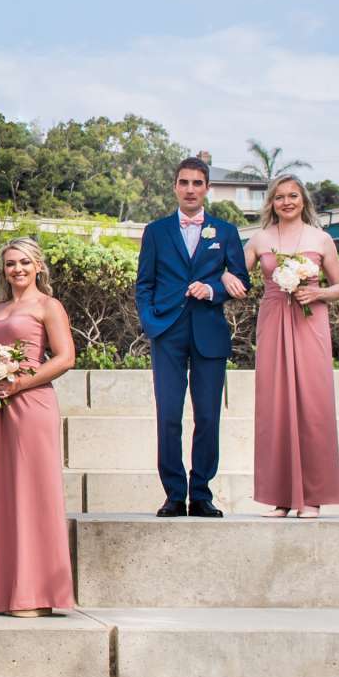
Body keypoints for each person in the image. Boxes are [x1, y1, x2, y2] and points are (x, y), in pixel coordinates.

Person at [134, 158, 248, 518]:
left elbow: (240, 281)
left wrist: (214, 289)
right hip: (167, 332)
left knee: (208, 417)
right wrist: (152, 323)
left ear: (207, 188)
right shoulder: (155, 231)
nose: (190, 189)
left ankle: (201, 493)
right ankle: (173, 493)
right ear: (174, 187)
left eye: (197, 183)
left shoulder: (225, 232)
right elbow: (144, 284)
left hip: (209, 333)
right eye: (184, 182)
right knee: (169, 415)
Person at [0, 239, 78, 616]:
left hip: (31, 403)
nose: (16, 269)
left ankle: (38, 594)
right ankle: (2, 591)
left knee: (35, 493)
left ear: (38, 266)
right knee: (4, 492)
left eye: (23, 262)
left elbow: (66, 358)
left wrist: (20, 381)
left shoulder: (49, 306)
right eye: (10, 264)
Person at [246, 173, 339, 517]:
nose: (286, 202)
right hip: (273, 321)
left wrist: (317, 292)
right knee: (275, 407)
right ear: (271, 202)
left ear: (303, 200)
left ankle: (313, 498)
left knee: (312, 405)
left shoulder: (321, 239)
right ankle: (282, 498)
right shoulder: (260, 239)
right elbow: (236, 277)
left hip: (309, 322)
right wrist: (225, 277)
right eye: (279, 197)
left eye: (292, 196)